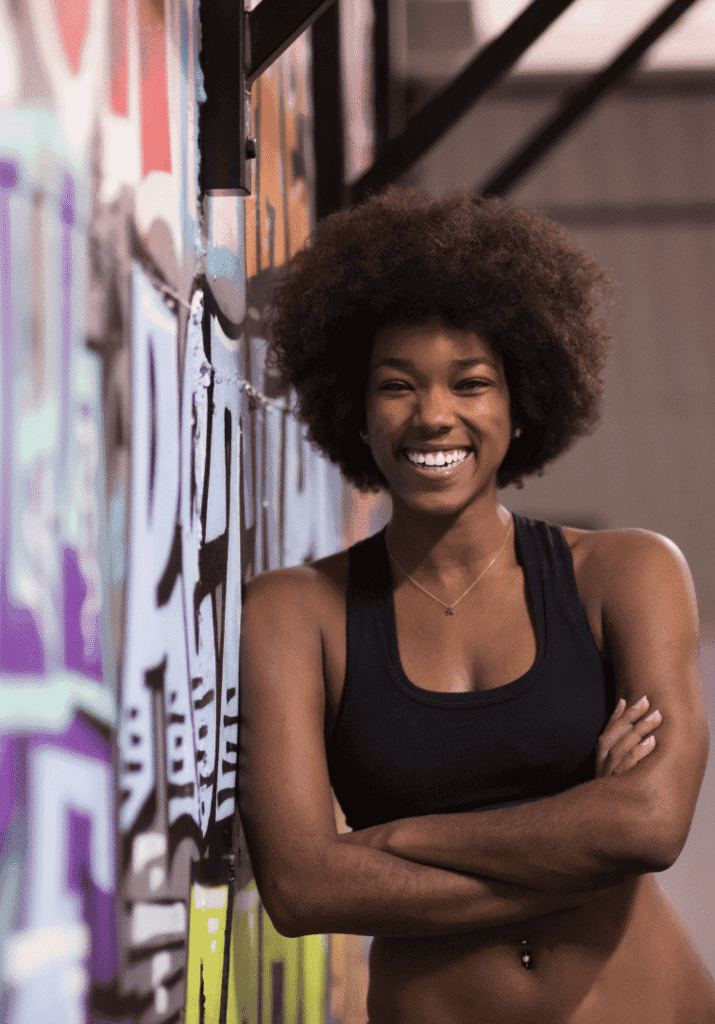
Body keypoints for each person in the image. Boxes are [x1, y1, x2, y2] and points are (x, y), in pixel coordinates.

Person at [238, 189, 714, 1023]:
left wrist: (396, 840)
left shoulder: (625, 572)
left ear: (519, 405)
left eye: (470, 383)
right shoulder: (291, 613)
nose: (432, 415)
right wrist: (576, 847)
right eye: (396, 386)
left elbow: (648, 825)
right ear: (354, 409)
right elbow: (303, 888)